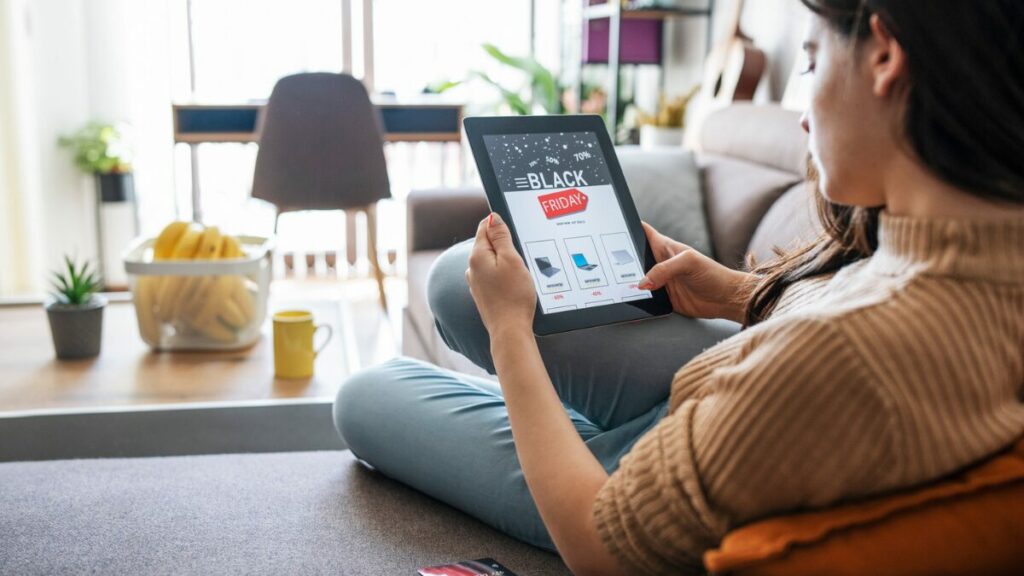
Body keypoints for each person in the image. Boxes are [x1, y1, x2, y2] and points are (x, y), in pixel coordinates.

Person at [334, 1, 1024, 574]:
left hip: (684, 459)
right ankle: (553, 414)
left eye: (810, 59)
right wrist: (735, 293)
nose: (804, 113)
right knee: (461, 278)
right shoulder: (966, 254)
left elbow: (600, 545)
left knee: (366, 395)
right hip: (743, 397)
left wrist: (512, 332)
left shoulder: (843, 358)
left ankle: (555, 424)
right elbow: (858, 308)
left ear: (884, 55)